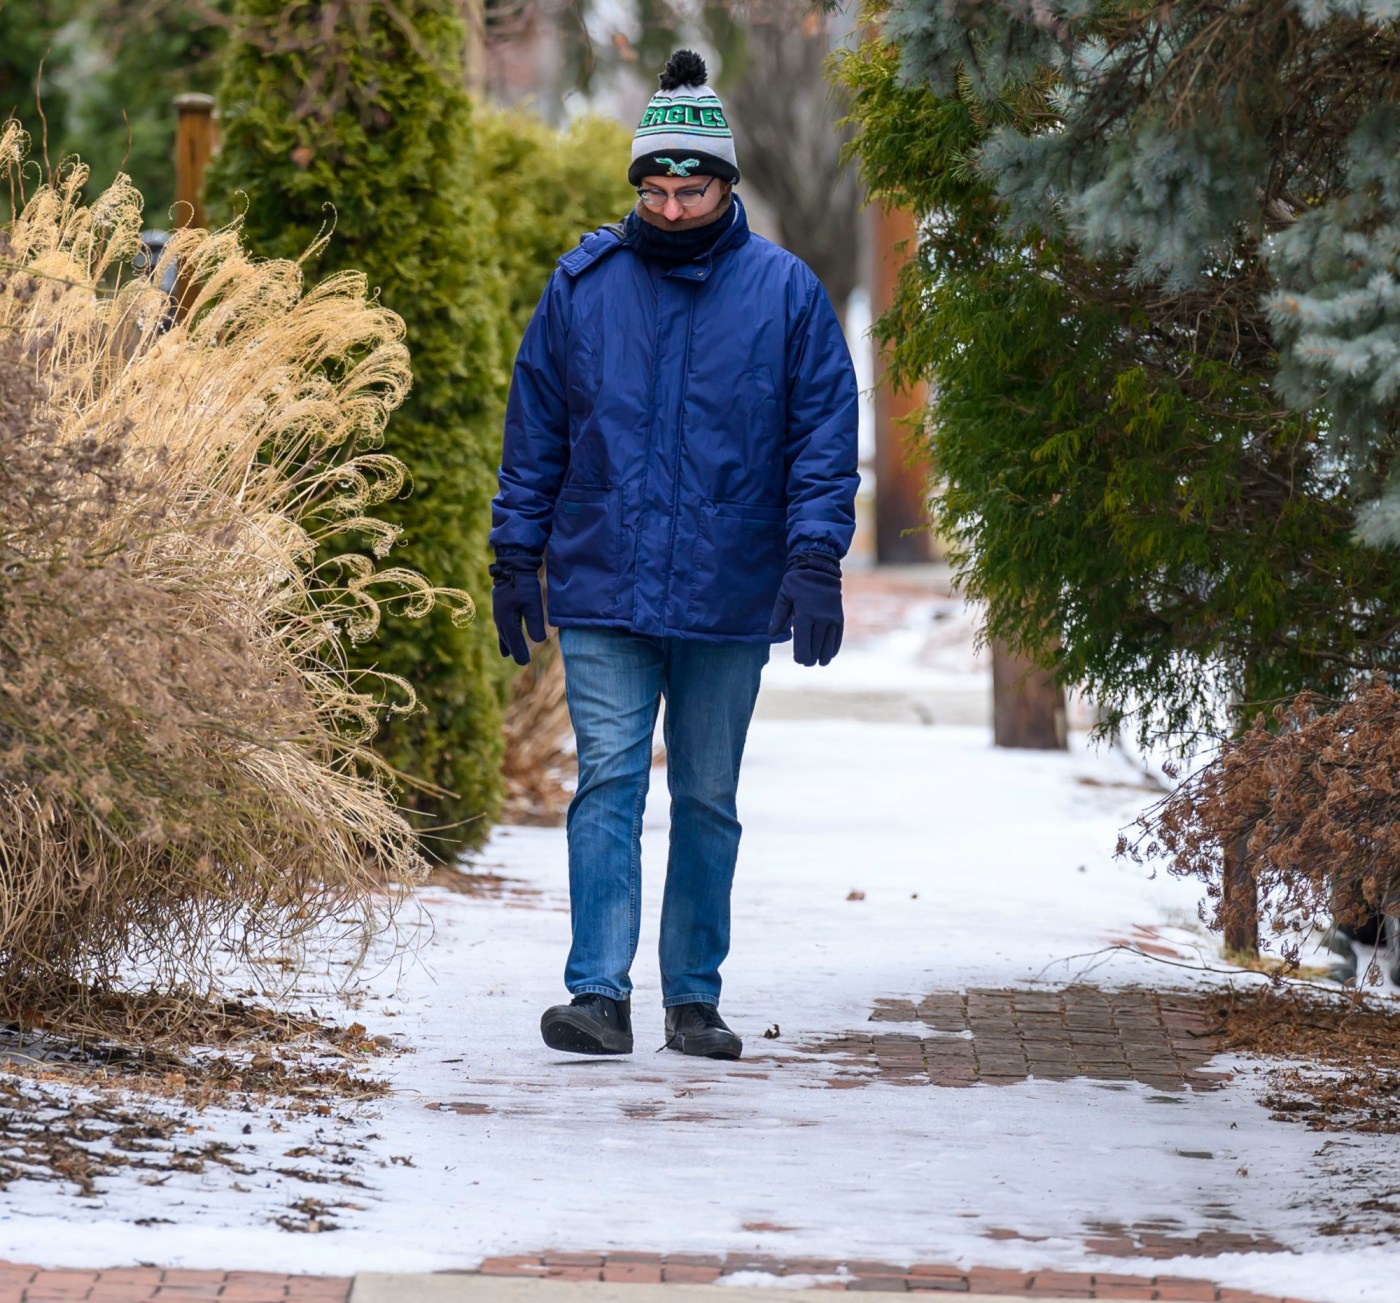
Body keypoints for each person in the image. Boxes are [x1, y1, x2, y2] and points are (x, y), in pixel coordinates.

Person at [489, 49, 859, 1060]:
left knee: (704, 794)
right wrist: (513, 558)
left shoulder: (784, 298)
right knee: (607, 780)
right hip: (604, 581)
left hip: (727, 588)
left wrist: (814, 558)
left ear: (724, 186)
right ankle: (596, 996)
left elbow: (822, 439)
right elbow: (536, 438)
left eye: (688, 189)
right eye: (653, 190)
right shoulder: (582, 288)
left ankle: (692, 997)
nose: (669, 207)